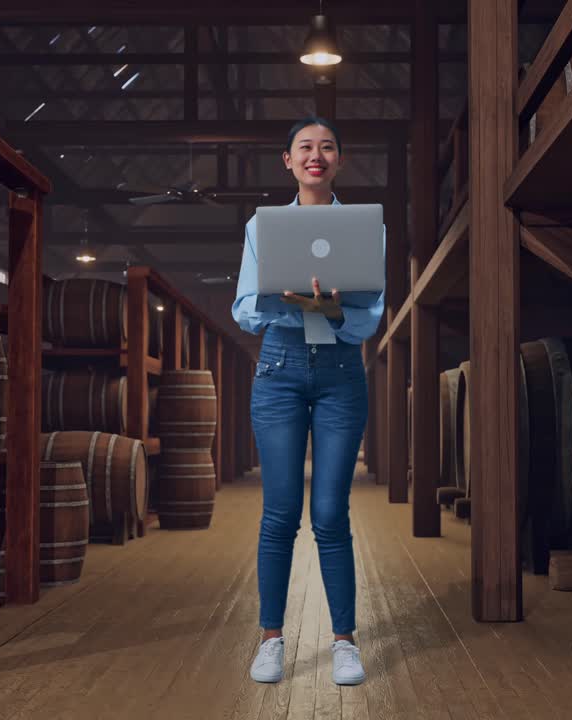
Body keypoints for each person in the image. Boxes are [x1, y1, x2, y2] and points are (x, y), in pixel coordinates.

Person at [231, 116, 385, 686]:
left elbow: (371, 316)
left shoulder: (367, 226)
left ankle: (343, 642)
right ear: (288, 161)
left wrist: (326, 310)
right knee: (279, 514)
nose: (315, 155)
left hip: (342, 376)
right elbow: (245, 309)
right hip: (279, 371)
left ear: (339, 161)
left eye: (326, 148)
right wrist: (298, 306)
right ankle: (271, 639)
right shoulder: (262, 226)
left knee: (328, 514)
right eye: (305, 148)